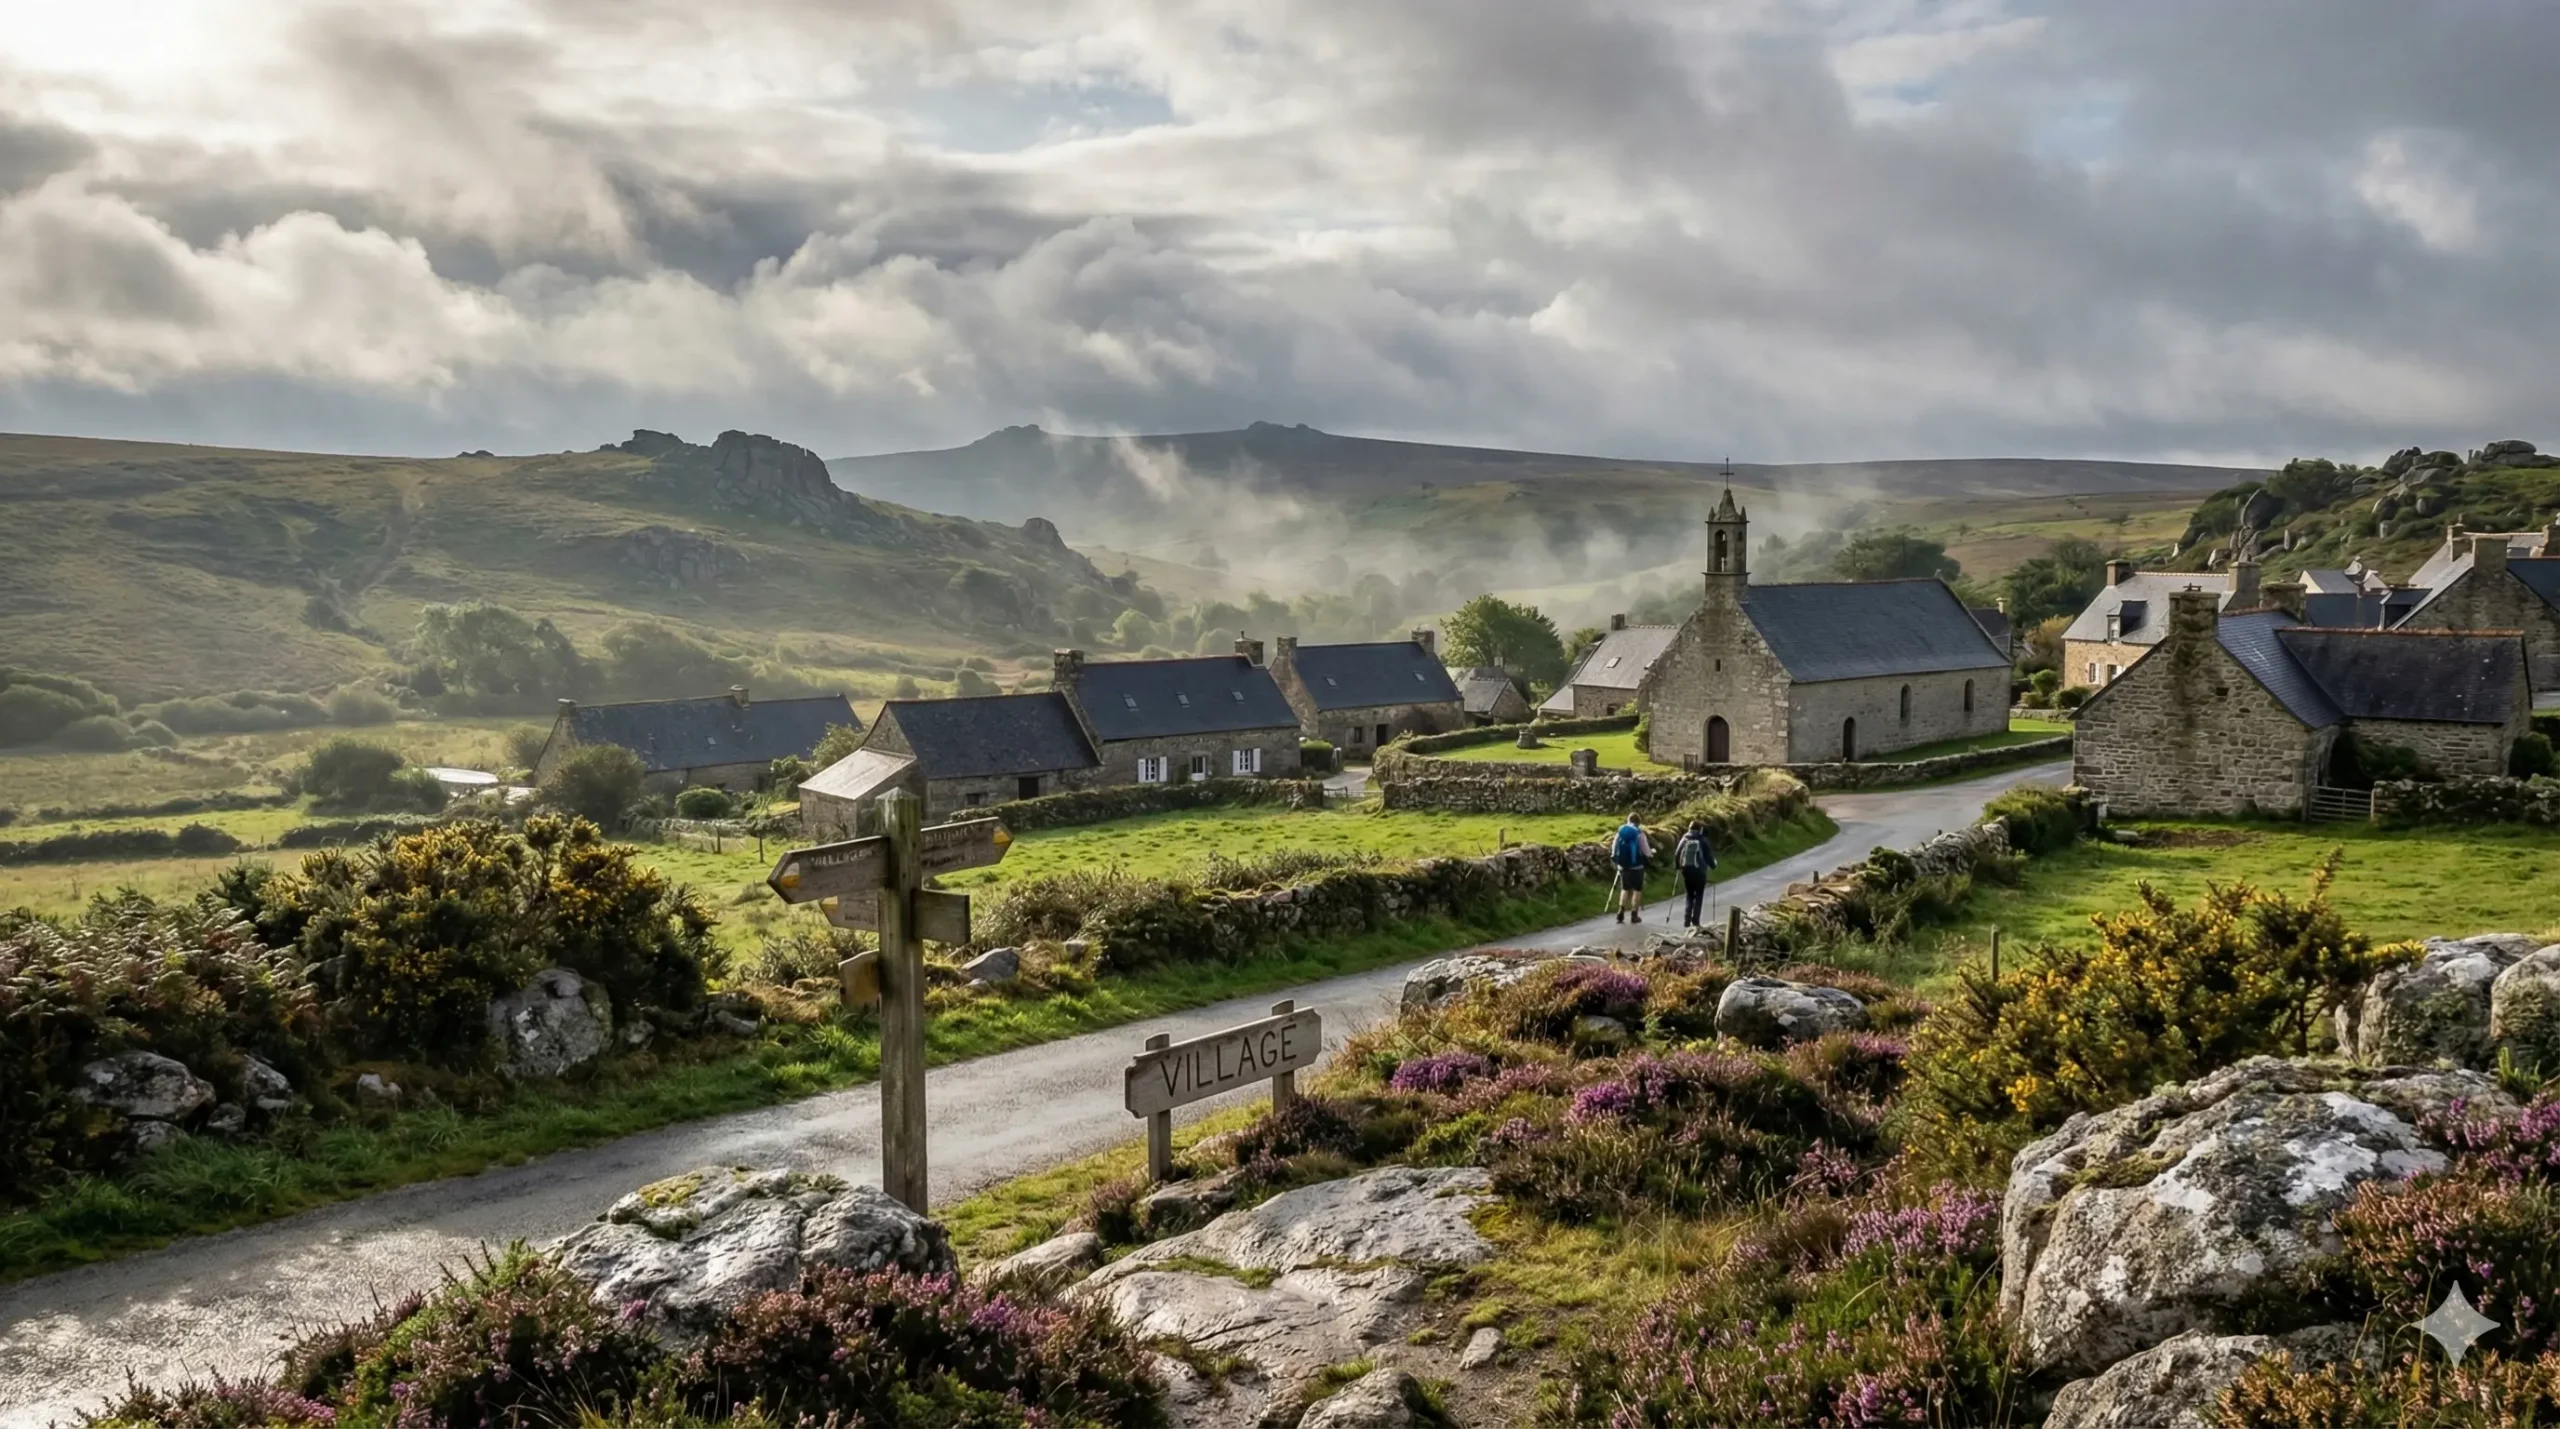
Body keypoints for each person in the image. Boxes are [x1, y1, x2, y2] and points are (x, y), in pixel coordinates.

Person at [1675, 819, 1718, 929]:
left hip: (1686, 871)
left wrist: (1678, 867)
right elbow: (1708, 856)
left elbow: (1677, 853)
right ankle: (1695, 921)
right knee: (1699, 896)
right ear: (1700, 829)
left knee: (1689, 895)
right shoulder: (1702, 840)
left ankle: (1686, 920)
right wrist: (1713, 865)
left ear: (1689, 828)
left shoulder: (1684, 839)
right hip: (1700, 872)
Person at [1610, 811, 1652, 924]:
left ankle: (1620, 912)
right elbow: (1646, 850)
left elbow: (1614, 848)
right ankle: (1634, 915)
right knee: (1637, 890)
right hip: (1637, 866)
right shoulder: (1639, 833)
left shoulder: (1620, 832)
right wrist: (1651, 854)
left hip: (1623, 866)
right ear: (1638, 822)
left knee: (1625, 888)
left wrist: (1616, 859)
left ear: (1628, 820)